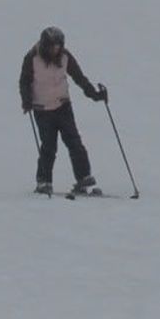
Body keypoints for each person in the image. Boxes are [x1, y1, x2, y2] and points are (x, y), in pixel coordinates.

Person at [19, 26, 108, 195]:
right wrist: (26, 100)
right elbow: (24, 81)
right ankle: (43, 181)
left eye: (59, 45)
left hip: (63, 106)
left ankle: (84, 178)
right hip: (42, 109)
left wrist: (95, 95)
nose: (56, 49)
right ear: (45, 45)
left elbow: (79, 78)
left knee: (74, 142)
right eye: (53, 45)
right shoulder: (32, 58)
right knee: (49, 146)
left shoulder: (65, 57)